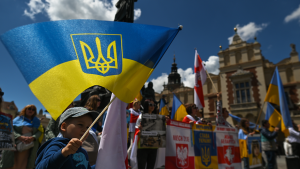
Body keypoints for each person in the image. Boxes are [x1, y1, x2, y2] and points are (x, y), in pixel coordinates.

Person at [0, 105, 41, 169]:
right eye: (29, 108)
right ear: (25, 109)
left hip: (29, 146)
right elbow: (11, 129)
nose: (31, 110)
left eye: (33, 109)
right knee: (13, 163)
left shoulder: (37, 121)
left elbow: (40, 132)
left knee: (25, 164)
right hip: (17, 144)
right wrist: (19, 137)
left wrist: (33, 137)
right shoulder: (17, 118)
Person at [135, 100, 158, 169]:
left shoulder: (157, 117)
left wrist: (165, 122)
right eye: (150, 104)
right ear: (146, 105)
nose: (153, 106)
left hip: (154, 146)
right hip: (143, 146)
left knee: (151, 167)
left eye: (154, 105)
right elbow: (136, 130)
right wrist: (139, 131)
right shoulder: (141, 116)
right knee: (141, 166)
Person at [84, 95, 102, 165]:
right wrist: (98, 133)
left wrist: (100, 127)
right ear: (93, 100)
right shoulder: (86, 110)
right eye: (98, 100)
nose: (100, 102)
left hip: (94, 134)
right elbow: (87, 126)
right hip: (88, 136)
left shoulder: (96, 112)